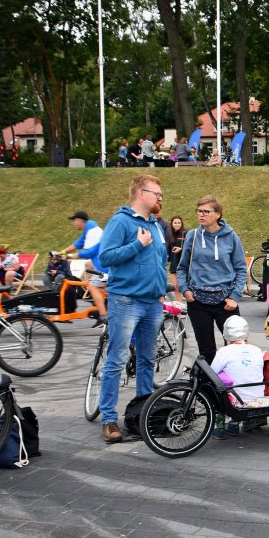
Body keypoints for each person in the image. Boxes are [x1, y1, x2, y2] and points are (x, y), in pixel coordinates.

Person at [95, 174, 169, 443]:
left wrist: (162, 291)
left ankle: (142, 414)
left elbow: (161, 262)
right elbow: (105, 257)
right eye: (156, 193)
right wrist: (138, 244)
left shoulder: (157, 225)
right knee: (117, 360)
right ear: (141, 193)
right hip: (125, 301)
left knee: (148, 359)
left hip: (152, 303)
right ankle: (109, 420)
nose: (160, 197)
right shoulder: (120, 221)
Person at [177, 196, 248, 363]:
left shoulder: (231, 237)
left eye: (206, 211)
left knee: (235, 349)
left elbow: (241, 268)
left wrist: (235, 297)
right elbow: (182, 267)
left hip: (226, 303)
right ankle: (209, 388)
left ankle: (231, 388)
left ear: (217, 214)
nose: (201, 215)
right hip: (198, 302)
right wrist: (185, 290)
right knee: (206, 351)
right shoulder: (192, 236)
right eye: (199, 211)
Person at [210, 315, 264, 439]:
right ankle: (234, 425)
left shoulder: (224, 351)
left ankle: (219, 429)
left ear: (226, 334)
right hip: (257, 395)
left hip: (236, 400)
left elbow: (212, 373)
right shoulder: (256, 350)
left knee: (218, 385)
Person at [62, 210, 108, 321]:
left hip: (103, 265)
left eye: (74, 221)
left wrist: (70, 256)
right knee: (87, 265)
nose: (73, 223)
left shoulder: (92, 232)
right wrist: (62, 252)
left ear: (80, 220)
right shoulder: (89, 228)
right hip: (101, 261)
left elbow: (89, 252)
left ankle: (103, 315)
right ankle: (99, 298)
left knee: (93, 286)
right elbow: (78, 243)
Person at [167, 216, 186, 303]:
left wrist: (181, 249)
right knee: (175, 286)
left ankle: (188, 303)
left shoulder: (185, 234)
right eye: (175, 223)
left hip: (183, 264)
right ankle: (179, 304)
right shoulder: (169, 235)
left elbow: (190, 249)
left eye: (179, 223)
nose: (177, 224)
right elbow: (168, 249)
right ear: (172, 224)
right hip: (173, 264)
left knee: (185, 286)